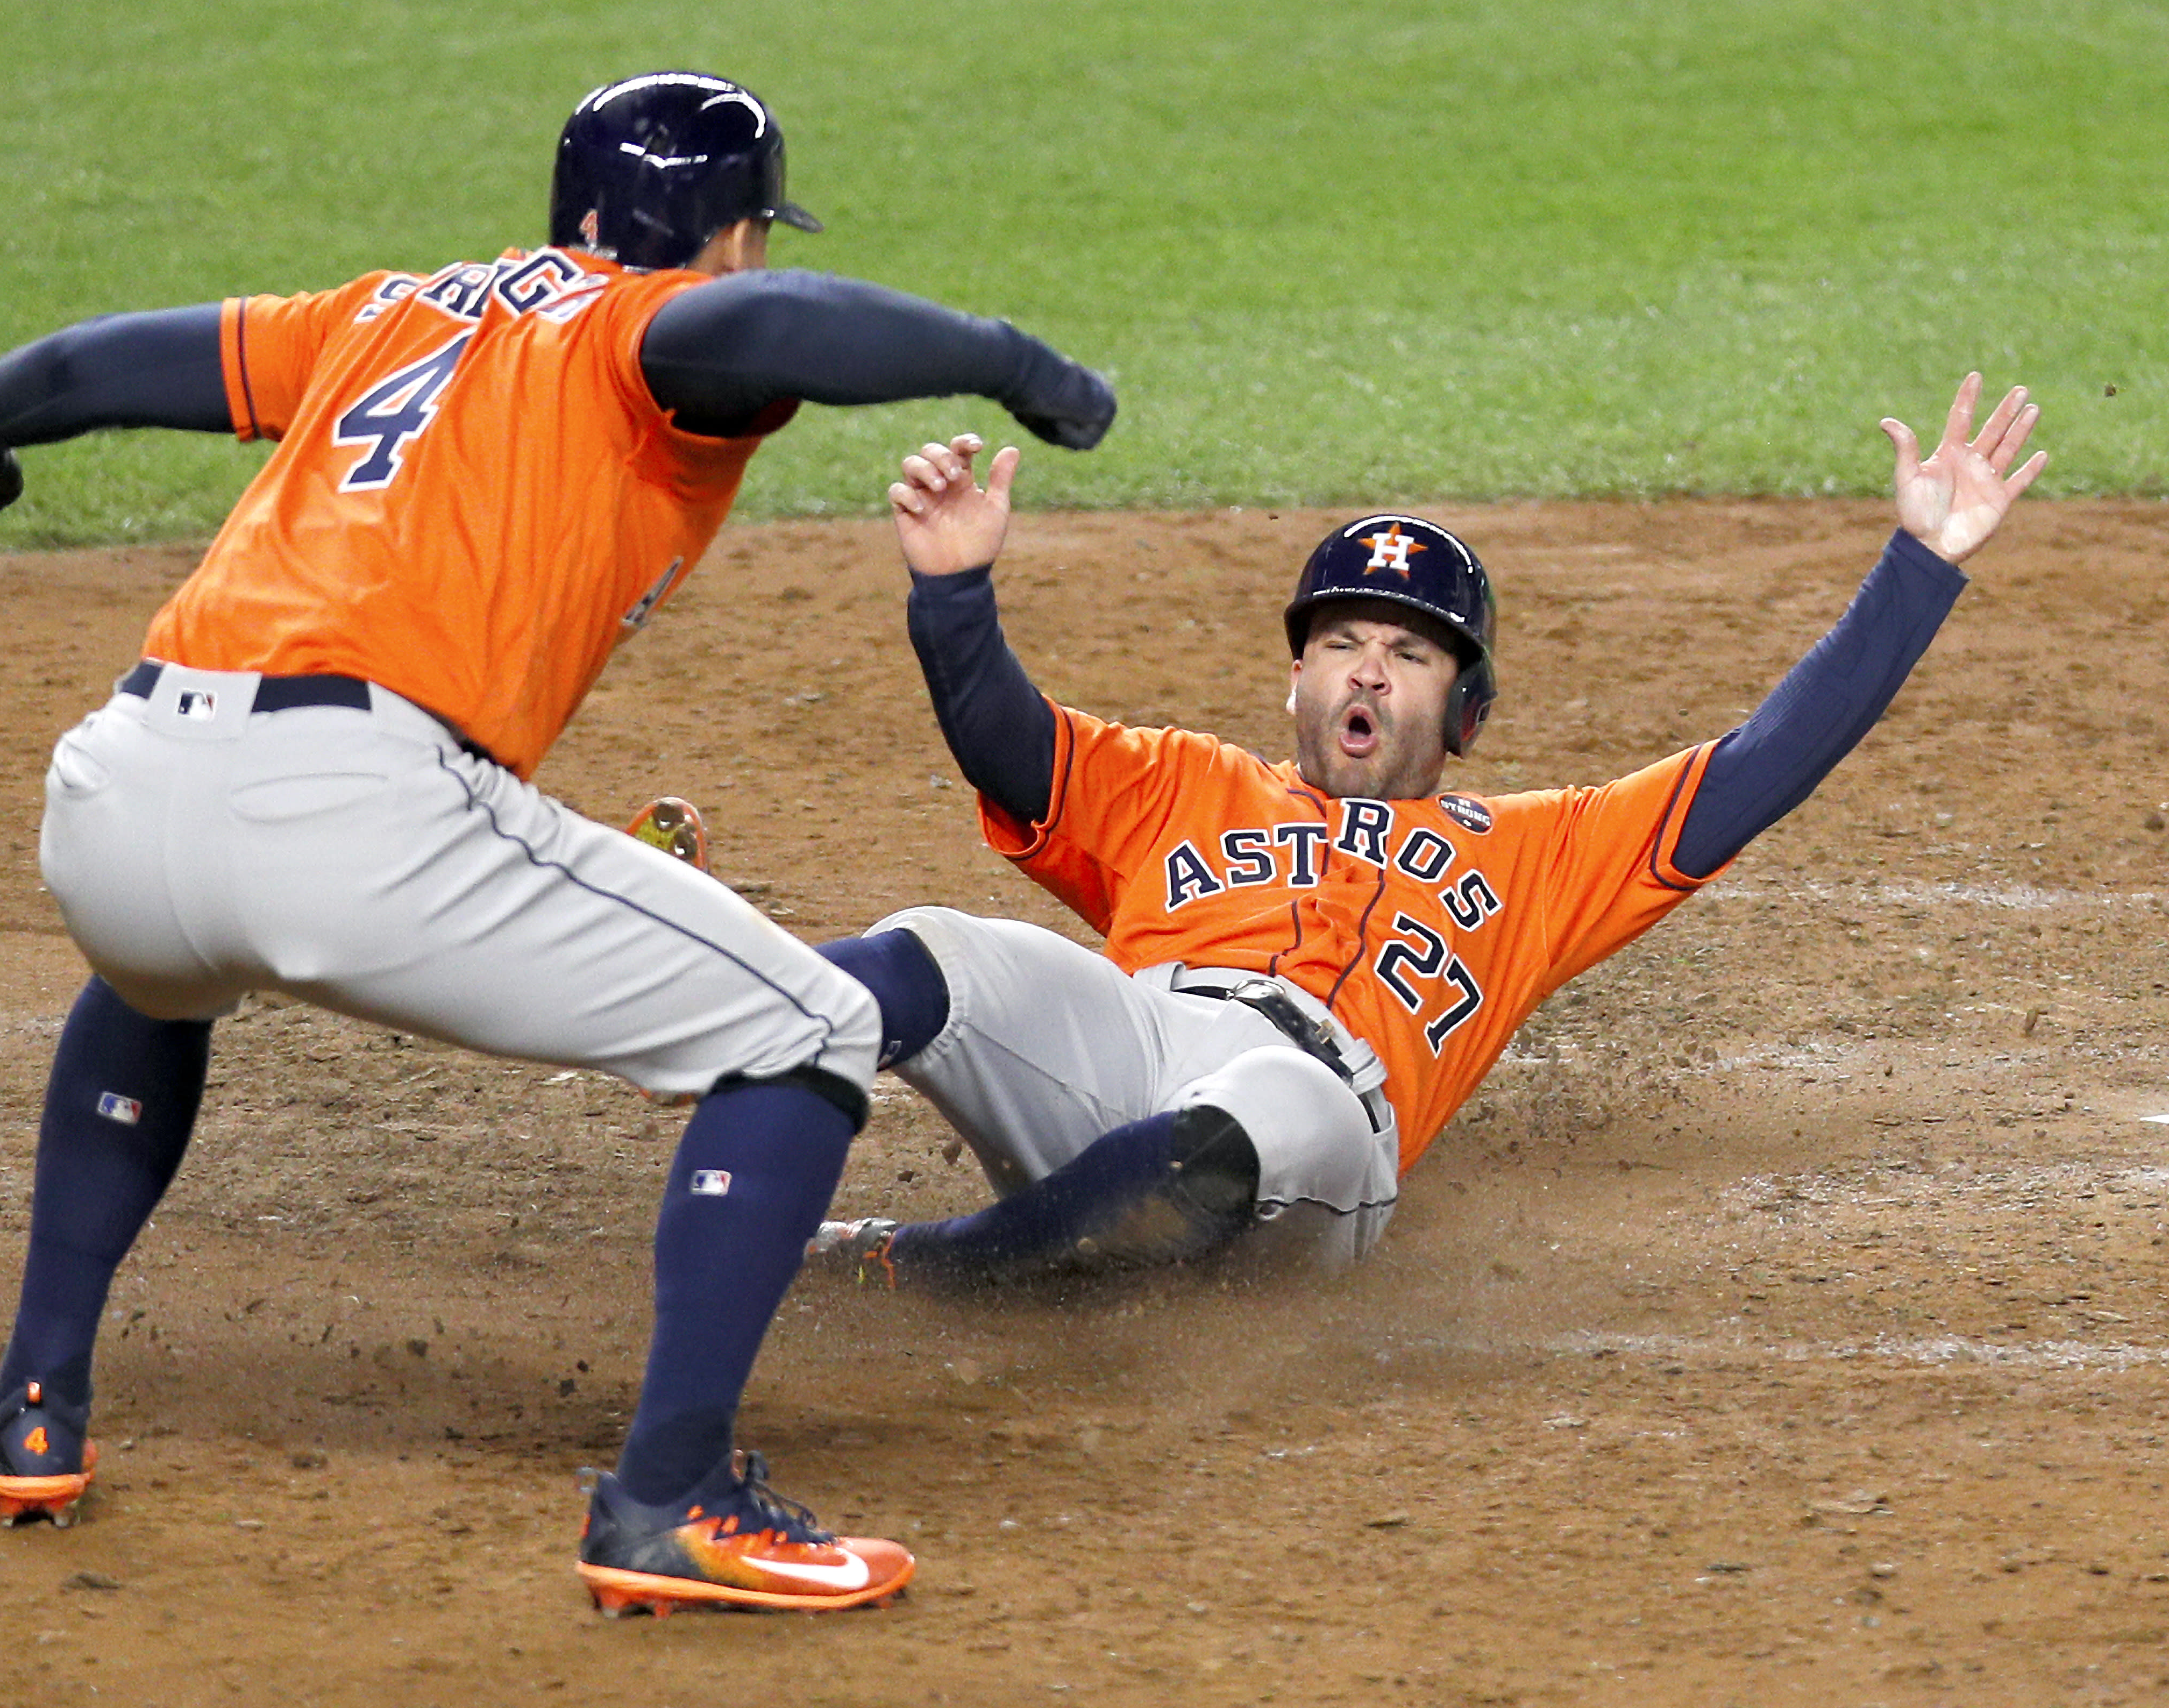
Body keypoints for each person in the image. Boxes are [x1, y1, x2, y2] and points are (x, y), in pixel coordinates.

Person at [0, 69, 1114, 1617]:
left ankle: (36, 1409)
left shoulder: (386, 313)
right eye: (747, 238)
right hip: (350, 812)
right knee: (812, 1029)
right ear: (716, 238)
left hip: (119, 794)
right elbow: (757, 330)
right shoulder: (640, 328)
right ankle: (672, 1502)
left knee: (158, 974)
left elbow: (82, 363)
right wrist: (1018, 364)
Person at [801, 374, 2042, 1290]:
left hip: (1319, 1141)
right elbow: (1007, 745)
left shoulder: (1542, 852)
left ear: (1469, 708)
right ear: (1297, 677)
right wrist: (953, 592)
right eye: (1340, 642)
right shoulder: (1178, 779)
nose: (1366, 674)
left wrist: (1920, 563)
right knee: (929, 948)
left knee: (1269, 1100)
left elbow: (1761, 767)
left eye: (1408, 653)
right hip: (1135, 1049)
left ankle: (915, 1271)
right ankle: (714, 1044)